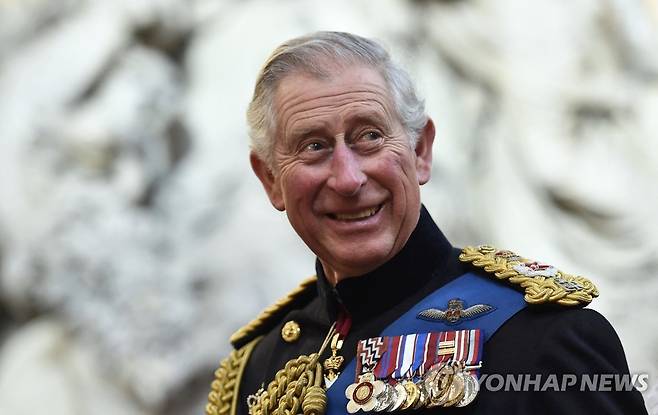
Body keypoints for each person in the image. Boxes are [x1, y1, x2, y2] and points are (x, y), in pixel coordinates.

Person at [206, 31, 647, 415]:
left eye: (370, 136)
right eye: (314, 145)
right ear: (271, 180)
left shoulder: (543, 339)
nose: (347, 178)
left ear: (421, 152)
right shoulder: (257, 370)